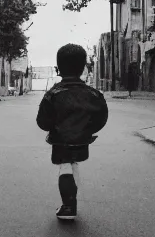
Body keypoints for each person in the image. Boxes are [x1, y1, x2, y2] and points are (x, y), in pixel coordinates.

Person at [36, 44, 109, 221]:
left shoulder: (53, 94)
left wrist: (56, 126)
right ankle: (71, 203)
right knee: (72, 164)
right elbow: (101, 118)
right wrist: (86, 129)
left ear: (58, 67)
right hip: (83, 139)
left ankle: (68, 207)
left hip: (60, 140)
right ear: (83, 67)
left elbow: (43, 123)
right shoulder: (94, 94)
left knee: (65, 166)